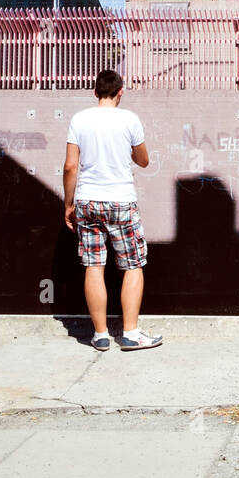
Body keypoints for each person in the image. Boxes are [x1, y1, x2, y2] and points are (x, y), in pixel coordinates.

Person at [63, 69, 163, 352]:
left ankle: (100, 335)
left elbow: (70, 166)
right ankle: (130, 334)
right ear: (121, 92)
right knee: (132, 266)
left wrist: (68, 204)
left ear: (95, 92)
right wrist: (129, 149)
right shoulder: (129, 119)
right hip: (120, 201)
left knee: (94, 266)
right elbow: (143, 160)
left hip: (88, 201)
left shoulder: (79, 120)